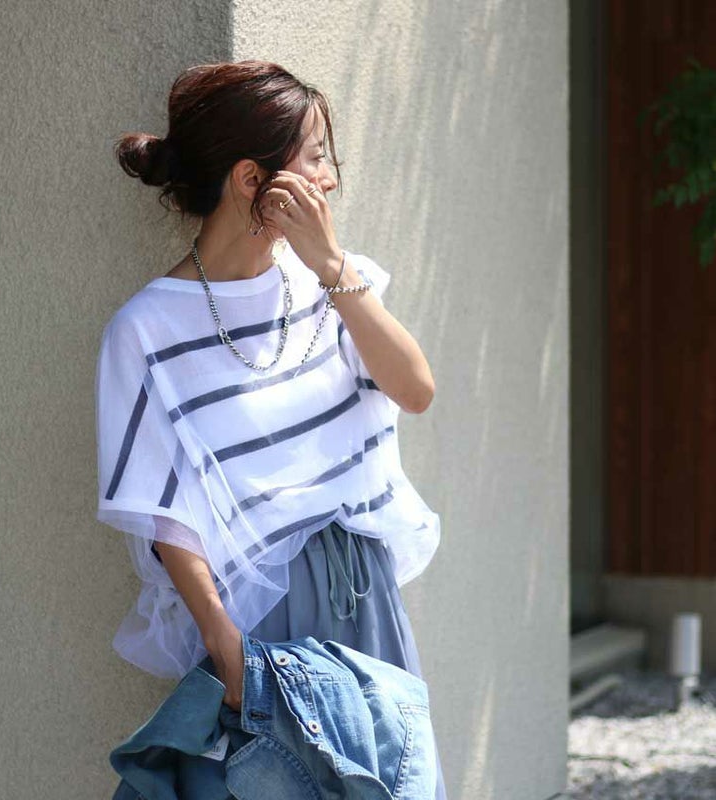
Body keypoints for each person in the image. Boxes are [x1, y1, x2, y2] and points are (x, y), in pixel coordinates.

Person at [95, 60, 446, 798]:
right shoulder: (146, 329)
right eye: (315, 158)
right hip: (259, 615)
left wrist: (331, 267)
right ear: (253, 180)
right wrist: (225, 647)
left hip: (364, 589)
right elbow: (167, 512)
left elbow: (415, 390)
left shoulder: (338, 285)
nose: (330, 180)